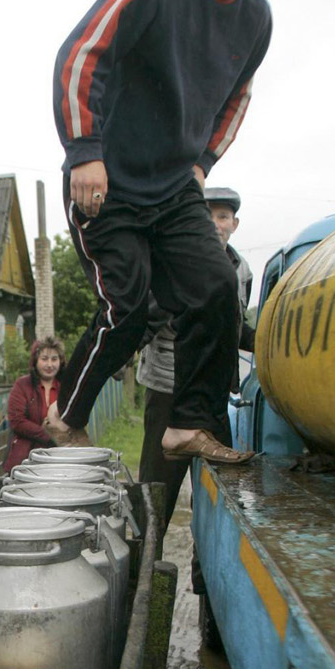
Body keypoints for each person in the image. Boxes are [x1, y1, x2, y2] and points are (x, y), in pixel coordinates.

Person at [48, 0, 292, 467]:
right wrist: (85, 150)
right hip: (107, 180)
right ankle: (66, 418)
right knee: (128, 308)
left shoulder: (256, 16)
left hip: (175, 184)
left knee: (215, 289)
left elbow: (239, 96)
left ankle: (188, 423)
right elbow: (82, 52)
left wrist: (205, 161)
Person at [138, 186, 255, 534]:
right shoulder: (176, 261)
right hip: (168, 391)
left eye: (222, 217)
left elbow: (235, 326)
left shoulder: (240, 269)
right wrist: (118, 354)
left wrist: (267, 343)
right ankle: (145, 574)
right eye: (207, 216)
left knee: (220, 493)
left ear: (234, 223)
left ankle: (205, 581)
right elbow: (150, 315)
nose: (215, 224)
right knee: (156, 496)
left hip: (214, 397)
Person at [4, 336, 66, 471]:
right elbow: (17, 421)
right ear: (35, 361)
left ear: (61, 361)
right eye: (44, 359)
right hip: (25, 460)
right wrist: (49, 437)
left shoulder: (67, 388)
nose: (49, 364)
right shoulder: (22, 385)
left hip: (60, 458)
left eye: (54, 359)